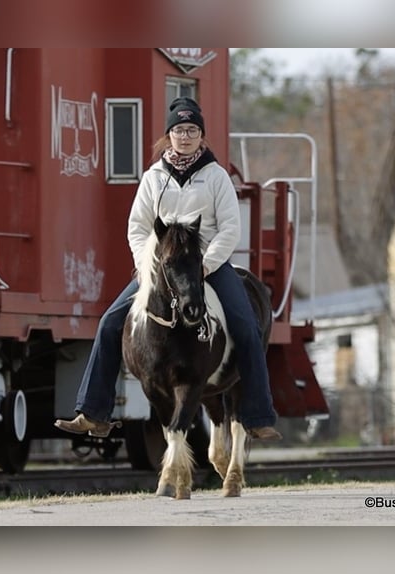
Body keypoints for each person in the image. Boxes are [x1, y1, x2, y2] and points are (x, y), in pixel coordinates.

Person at [54, 96, 282, 441]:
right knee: (109, 322)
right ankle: (93, 412)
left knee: (247, 326)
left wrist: (206, 265)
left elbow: (230, 228)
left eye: (192, 130)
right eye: (179, 129)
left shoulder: (216, 176)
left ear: (201, 136)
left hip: (207, 264)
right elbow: (137, 227)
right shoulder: (153, 177)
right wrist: (146, 267)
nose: (185, 135)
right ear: (169, 135)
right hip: (161, 269)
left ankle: (258, 415)